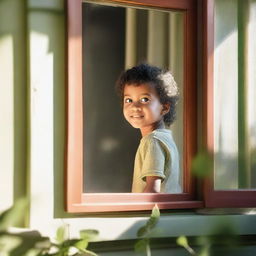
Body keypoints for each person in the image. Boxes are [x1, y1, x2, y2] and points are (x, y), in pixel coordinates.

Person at [116, 63, 182, 193]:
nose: (134, 107)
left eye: (144, 99)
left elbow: (152, 190)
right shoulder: (166, 137)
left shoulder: (152, 141)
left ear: (164, 107)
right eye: (128, 100)